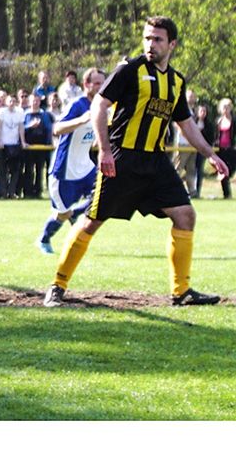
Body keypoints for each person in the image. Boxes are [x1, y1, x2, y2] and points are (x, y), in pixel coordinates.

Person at [44, 17, 229, 308]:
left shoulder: (177, 81)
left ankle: (181, 292)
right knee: (92, 221)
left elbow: (186, 124)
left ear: (172, 44)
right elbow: (99, 105)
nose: (150, 44)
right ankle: (57, 285)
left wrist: (210, 154)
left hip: (155, 162)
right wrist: (104, 150)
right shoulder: (129, 70)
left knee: (185, 215)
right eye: (147, 38)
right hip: (121, 158)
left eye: (157, 39)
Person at [36, 68, 105, 254]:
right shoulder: (77, 105)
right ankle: (44, 239)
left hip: (86, 168)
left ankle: (75, 214)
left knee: (104, 197)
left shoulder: (102, 106)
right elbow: (57, 129)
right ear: (86, 84)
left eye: (102, 83)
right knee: (62, 214)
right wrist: (81, 120)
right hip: (64, 171)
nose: (101, 87)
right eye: (97, 83)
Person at [22, 95, 54, 198]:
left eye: (37, 101)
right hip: (28, 147)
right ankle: (28, 192)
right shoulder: (25, 114)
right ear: (29, 102)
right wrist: (30, 126)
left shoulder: (44, 114)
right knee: (28, 169)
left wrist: (49, 142)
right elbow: (21, 129)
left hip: (42, 147)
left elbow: (49, 129)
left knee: (40, 170)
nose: (35, 103)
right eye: (33, 101)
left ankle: (38, 191)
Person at [0, 94, 26, 198]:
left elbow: (21, 127)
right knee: (2, 170)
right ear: (6, 102)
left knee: (15, 170)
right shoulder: (2, 112)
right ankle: (2, 192)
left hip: (15, 144)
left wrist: (23, 142)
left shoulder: (20, 112)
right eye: (10, 101)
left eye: (13, 101)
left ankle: (12, 192)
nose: (12, 103)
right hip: (4, 145)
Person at [172, 89, 199, 197]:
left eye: (193, 96)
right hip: (183, 143)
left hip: (193, 144)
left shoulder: (195, 110)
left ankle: (192, 191)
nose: (192, 98)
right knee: (179, 167)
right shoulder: (181, 108)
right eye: (190, 96)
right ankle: (172, 189)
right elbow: (176, 123)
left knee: (191, 169)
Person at [215, 98, 236, 199]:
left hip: (232, 150)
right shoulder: (218, 121)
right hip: (221, 150)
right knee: (223, 172)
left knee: (230, 171)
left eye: (228, 107)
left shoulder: (234, 121)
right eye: (224, 107)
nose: (226, 109)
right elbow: (215, 135)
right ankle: (226, 195)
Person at [194, 103, 215, 198]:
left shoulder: (209, 125)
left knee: (199, 171)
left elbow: (210, 138)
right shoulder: (192, 122)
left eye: (204, 111)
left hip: (201, 151)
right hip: (190, 149)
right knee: (189, 170)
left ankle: (197, 191)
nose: (203, 113)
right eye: (201, 111)